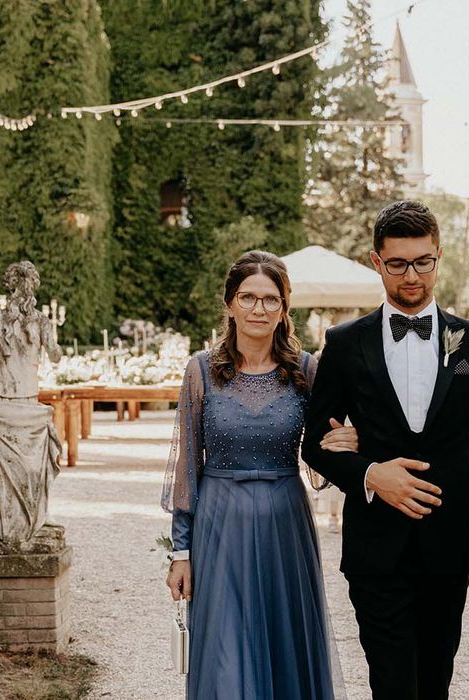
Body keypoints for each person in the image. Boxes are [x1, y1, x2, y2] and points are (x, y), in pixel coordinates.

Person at [302, 200, 469, 700]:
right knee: (393, 686)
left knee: (434, 684)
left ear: (439, 257)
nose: (412, 275)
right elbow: (314, 442)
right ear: (376, 261)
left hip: (449, 546)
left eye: (424, 261)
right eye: (398, 263)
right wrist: (369, 473)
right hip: (375, 551)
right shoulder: (345, 342)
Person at [162, 250, 357, 700]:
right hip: (219, 526)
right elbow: (187, 469)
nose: (259, 308)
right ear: (230, 303)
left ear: (285, 308)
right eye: (248, 297)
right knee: (225, 651)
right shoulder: (201, 372)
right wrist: (180, 552)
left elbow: (324, 453)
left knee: (286, 644)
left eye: (271, 299)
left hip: (285, 523)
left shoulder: (306, 370)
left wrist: (348, 442)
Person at [0, 261, 63, 548]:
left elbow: (54, 356)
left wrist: (52, 342)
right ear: (13, 287)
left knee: (31, 469)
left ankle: (33, 521)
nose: (24, 290)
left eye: (28, 284)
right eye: (20, 284)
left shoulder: (41, 322)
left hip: (26, 404)